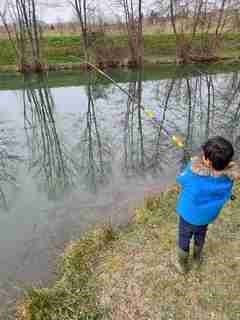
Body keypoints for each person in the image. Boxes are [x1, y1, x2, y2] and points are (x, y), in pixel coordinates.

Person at [175, 136, 240, 273]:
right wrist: (202, 163)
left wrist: (192, 164)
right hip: (206, 217)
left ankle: (182, 265)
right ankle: (197, 258)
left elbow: (181, 179)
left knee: (184, 238)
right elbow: (215, 176)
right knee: (201, 234)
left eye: (203, 155)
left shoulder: (193, 175)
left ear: (208, 162)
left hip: (188, 216)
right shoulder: (228, 179)